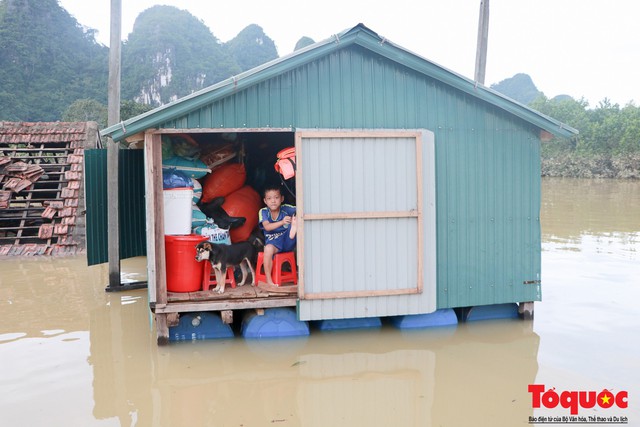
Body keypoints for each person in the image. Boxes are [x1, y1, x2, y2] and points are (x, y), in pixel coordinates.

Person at [258, 185, 297, 286]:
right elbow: (267, 227)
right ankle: (269, 280)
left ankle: (294, 227)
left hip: (287, 241)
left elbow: (301, 207)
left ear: (282, 199)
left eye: (276, 197)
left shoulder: (286, 209)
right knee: (267, 249)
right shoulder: (264, 212)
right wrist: (282, 222)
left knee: (296, 220)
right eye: (269, 198)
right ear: (265, 201)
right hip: (273, 243)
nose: (273, 201)